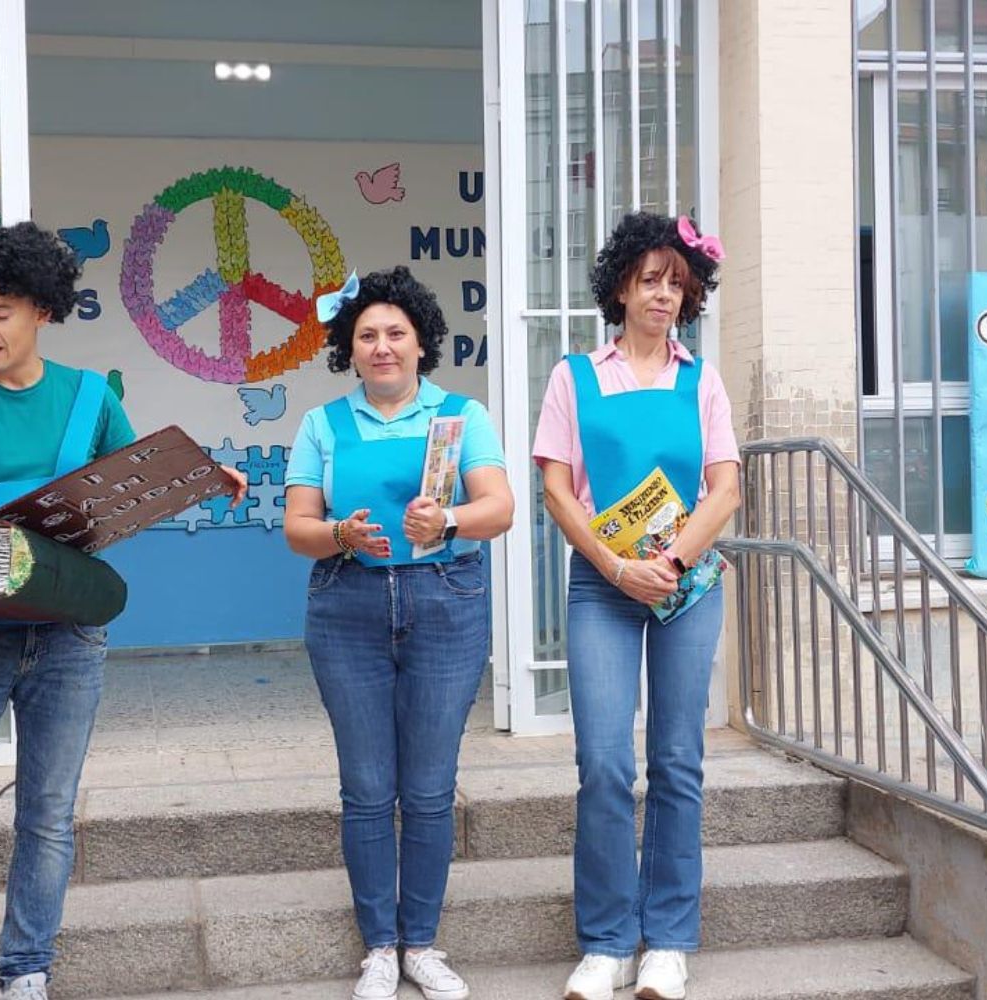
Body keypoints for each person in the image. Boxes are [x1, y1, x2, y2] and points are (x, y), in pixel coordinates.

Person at [0, 218, 245, 1000]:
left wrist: (199, 476)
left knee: (47, 816)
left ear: (42, 309)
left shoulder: (91, 397)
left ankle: (25, 972)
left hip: (68, 636)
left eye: (0, 312)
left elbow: (133, 488)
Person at [284, 266, 513, 1000]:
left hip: (446, 602)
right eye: (367, 336)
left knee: (430, 786)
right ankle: (379, 946)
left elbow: (500, 508)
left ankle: (422, 942)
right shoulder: (322, 425)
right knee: (366, 787)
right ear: (348, 350)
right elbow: (297, 529)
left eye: (396, 334)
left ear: (422, 344)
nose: (382, 347)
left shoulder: (461, 417)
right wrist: (340, 534)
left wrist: (446, 520)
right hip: (346, 607)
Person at [532, 213, 741, 1000]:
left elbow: (725, 487)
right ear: (620, 285)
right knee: (605, 764)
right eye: (650, 279)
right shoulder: (574, 378)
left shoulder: (703, 380)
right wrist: (617, 567)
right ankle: (607, 940)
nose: (664, 295)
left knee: (678, 761)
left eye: (678, 284)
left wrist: (674, 559)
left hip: (686, 586)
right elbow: (556, 487)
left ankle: (669, 941)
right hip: (602, 585)